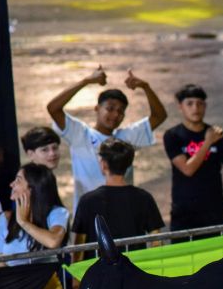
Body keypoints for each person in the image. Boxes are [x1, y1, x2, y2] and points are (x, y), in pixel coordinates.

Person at [46, 65, 167, 208]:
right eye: (110, 109)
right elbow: (53, 108)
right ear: (97, 108)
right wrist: (86, 81)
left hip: (123, 212)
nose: (115, 115)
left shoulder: (126, 137)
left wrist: (146, 87)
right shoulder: (79, 134)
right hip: (89, 215)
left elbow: (159, 116)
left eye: (120, 111)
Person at [164, 84, 223, 238]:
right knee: (184, 260)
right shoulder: (172, 136)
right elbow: (187, 170)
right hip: (183, 213)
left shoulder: (219, 136)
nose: (195, 108)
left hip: (214, 213)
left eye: (200, 103)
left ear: (205, 106)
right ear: (180, 107)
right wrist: (207, 143)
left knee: (216, 260)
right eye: (189, 104)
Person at [72, 139, 164, 260]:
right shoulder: (144, 198)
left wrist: (76, 278)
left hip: (99, 274)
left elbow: (79, 247)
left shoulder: (87, 201)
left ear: (104, 164)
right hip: (134, 271)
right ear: (128, 165)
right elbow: (156, 241)